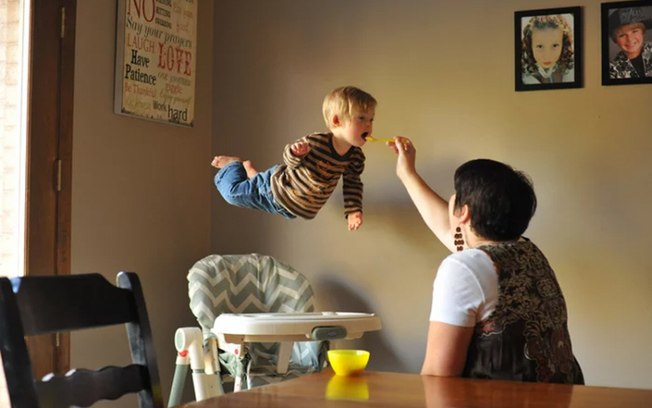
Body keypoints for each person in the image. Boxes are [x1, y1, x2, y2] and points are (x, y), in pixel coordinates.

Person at [386, 137, 584, 384]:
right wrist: (407, 174)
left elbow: (439, 376)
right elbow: (456, 234)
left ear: (464, 211)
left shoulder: (464, 269)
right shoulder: (527, 252)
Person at [211, 86, 376, 231]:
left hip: (287, 208)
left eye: (371, 119)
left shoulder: (355, 157)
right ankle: (233, 165)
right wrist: (296, 153)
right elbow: (289, 161)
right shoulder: (316, 142)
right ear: (336, 120)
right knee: (233, 194)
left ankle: (252, 173)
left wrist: (353, 211)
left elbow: (352, 183)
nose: (368, 125)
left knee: (254, 190)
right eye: (361, 118)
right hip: (276, 188)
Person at [521, 14, 575, 84]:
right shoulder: (522, 74)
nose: (547, 56)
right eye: (540, 46)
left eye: (555, 45)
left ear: (563, 44)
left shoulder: (573, 67)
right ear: (530, 45)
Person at [608, 7, 652, 79]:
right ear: (615, 40)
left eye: (634, 31)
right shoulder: (612, 69)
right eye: (622, 35)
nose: (630, 39)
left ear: (642, 32)